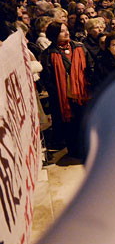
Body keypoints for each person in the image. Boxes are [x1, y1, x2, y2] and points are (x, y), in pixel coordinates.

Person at [39, 21, 94, 161]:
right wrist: (58, 92)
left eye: (66, 29)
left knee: (85, 121)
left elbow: (90, 67)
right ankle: (75, 151)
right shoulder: (48, 54)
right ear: (54, 35)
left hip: (82, 94)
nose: (67, 32)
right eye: (62, 31)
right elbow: (47, 78)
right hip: (62, 97)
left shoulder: (79, 47)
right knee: (70, 125)